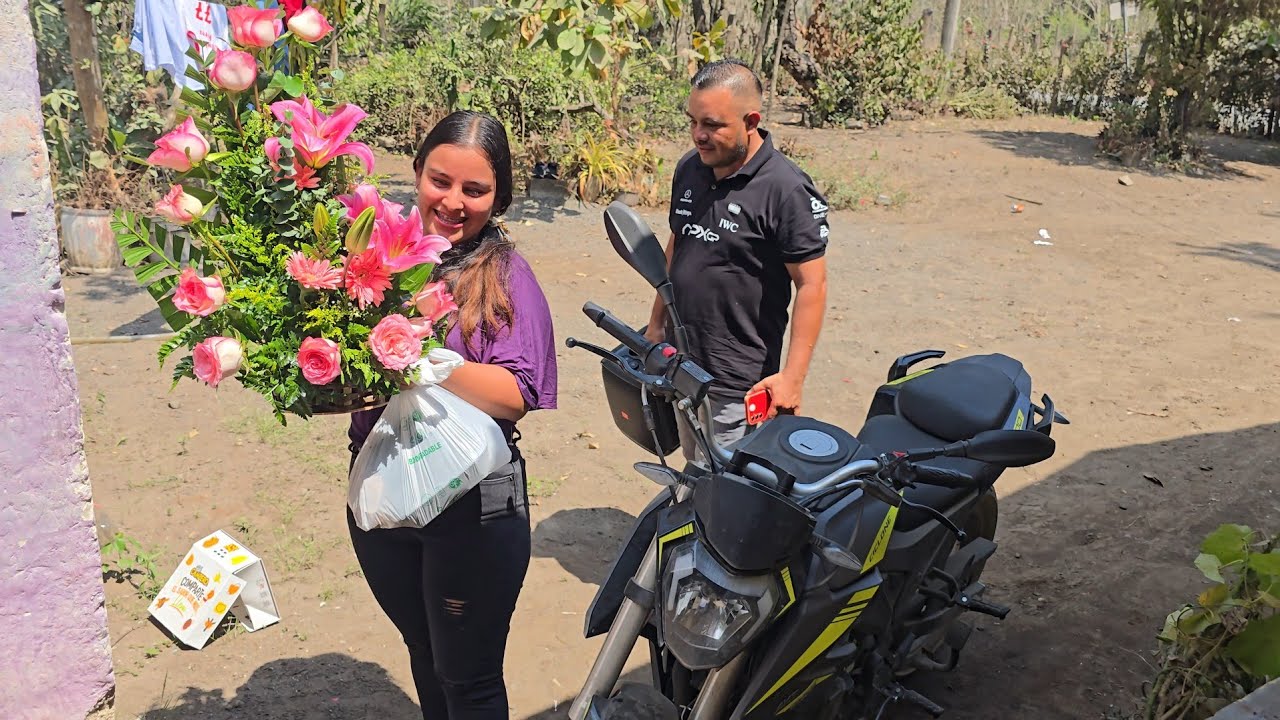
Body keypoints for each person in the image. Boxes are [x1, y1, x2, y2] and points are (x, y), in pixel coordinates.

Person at [346, 110, 557, 719]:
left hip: (471, 509)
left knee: (470, 681)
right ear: (416, 173)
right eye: (440, 180)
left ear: (500, 197)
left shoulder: (505, 276)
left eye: (475, 190)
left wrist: (423, 358)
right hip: (384, 495)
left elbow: (517, 393)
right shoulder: (376, 259)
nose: (453, 201)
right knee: (425, 654)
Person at [644, 59, 829, 461]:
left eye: (712, 125)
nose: (698, 135)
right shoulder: (691, 168)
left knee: (727, 492)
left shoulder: (786, 190)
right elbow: (678, 245)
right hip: (683, 358)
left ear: (751, 121)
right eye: (692, 121)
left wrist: (793, 378)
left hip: (737, 379)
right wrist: (657, 322)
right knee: (694, 470)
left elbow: (812, 285)